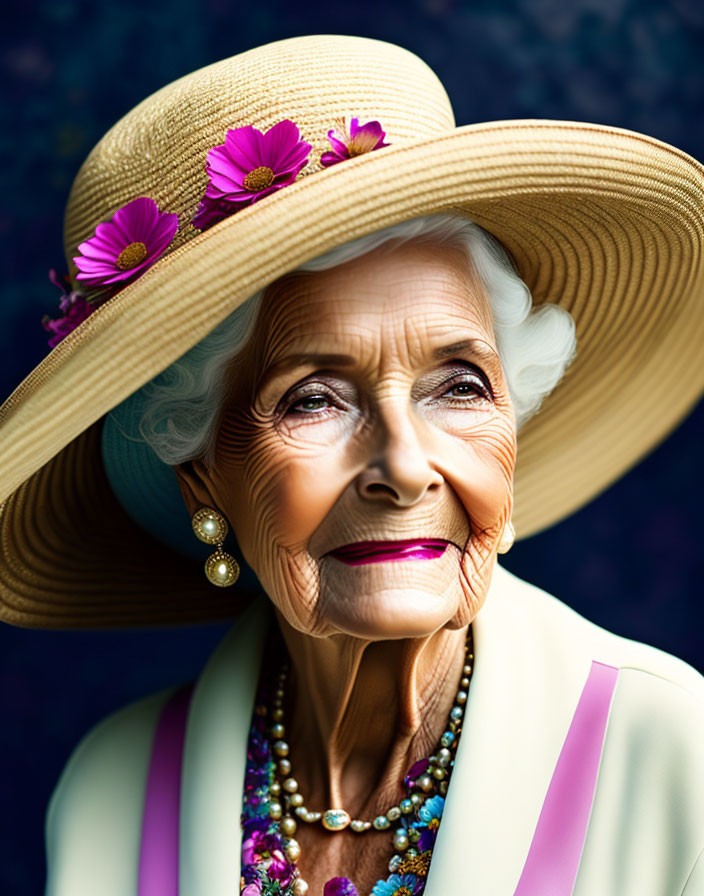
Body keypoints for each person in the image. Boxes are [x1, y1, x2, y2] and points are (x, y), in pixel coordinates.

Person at [0, 33, 703, 896]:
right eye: (313, 399)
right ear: (202, 479)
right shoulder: (112, 792)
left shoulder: (675, 757)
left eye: (460, 387)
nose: (405, 469)